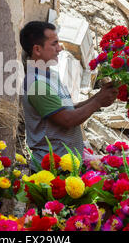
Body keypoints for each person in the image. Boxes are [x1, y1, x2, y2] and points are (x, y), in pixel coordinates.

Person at [20, 21, 119, 171]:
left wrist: (98, 96)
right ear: (37, 49)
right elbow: (67, 119)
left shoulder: (50, 75)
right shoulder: (36, 84)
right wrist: (98, 101)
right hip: (51, 170)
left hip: (64, 165)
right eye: (54, 44)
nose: (59, 48)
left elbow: (69, 109)